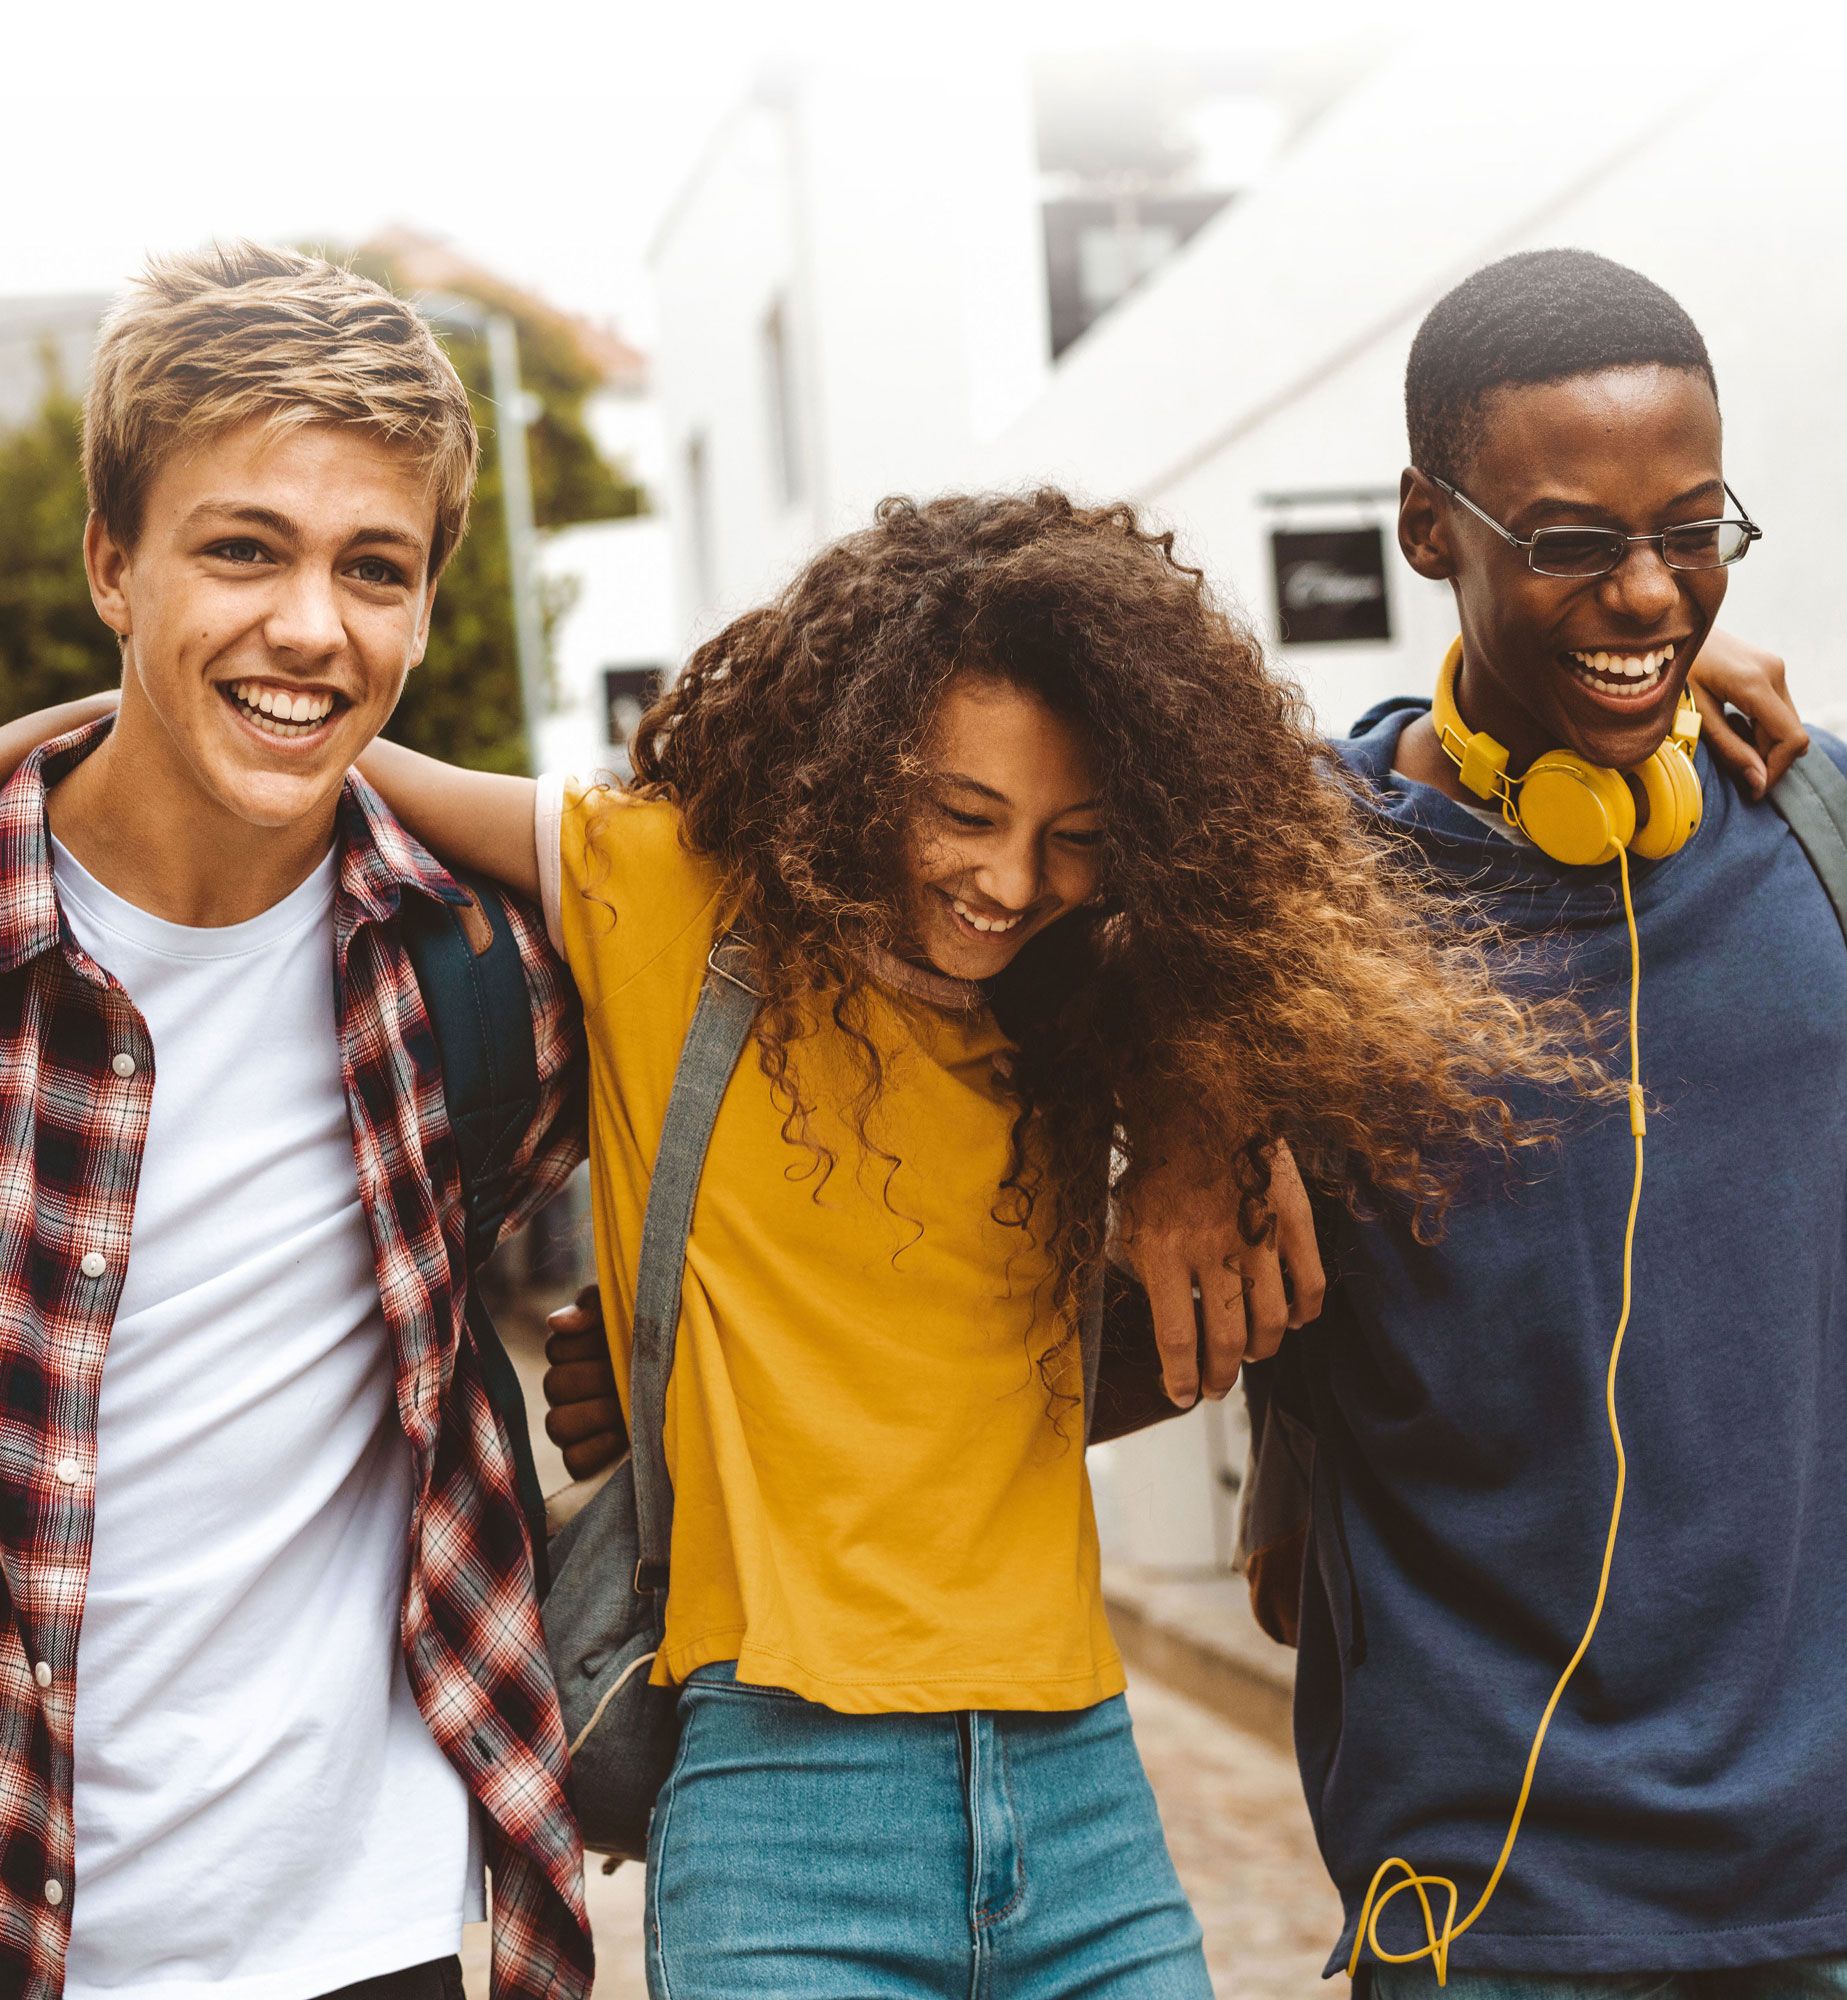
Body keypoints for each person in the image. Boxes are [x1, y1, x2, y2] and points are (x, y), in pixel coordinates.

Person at [348, 478, 1748, 2000]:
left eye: (1073, 837)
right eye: (963, 814)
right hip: (781, 1807)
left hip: (1083, 1793)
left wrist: (1667, 697)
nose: (1011, 883)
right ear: (852, 762)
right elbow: (330, 755)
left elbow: (1337, 833)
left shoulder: (1103, 1004)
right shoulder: (669, 893)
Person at [0, 244, 594, 2000]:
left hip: (369, 1936)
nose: (313, 627)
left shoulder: (489, 981)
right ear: (113, 564)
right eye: (244, 550)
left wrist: (1209, 1135)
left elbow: (855, 925)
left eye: (373, 568)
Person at [1290, 248, 1847, 1996]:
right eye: (1570, 541)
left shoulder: (1821, 833)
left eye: (1690, 531)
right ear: (1424, 527)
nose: (1649, 592)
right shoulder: (1293, 910)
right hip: (1486, 1914)